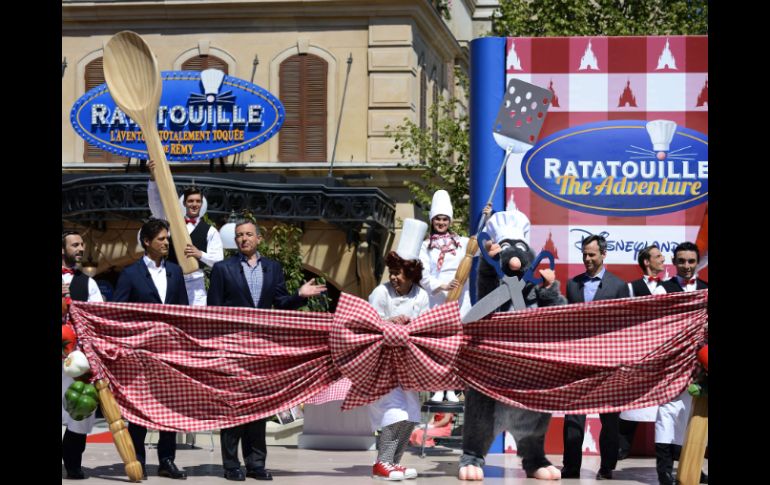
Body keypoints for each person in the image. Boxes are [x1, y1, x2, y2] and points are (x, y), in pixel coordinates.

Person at [207, 219, 326, 482]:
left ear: (259, 239)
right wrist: (217, 350)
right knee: (233, 408)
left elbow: (281, 304)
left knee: (259, 408)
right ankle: (231, 466)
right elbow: (212, 313)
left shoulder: (273, 268)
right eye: (239, 235)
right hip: (232, 350)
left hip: (262, 351)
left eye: (248, 234)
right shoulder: (222, 269)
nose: (243, 239)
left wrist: (300, 294)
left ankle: (256, 464)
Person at [459, 206, 566, 481]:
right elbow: (482, 301)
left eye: (518, 247)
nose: (514, 257)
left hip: (529, 371)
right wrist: (487, 265)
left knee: (535, 417)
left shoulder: (536, 285)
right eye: (507, 246)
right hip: (493, 369)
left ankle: (534, 458)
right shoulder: (492, 282)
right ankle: (473, 455)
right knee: (481, 412)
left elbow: (560, 313)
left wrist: (550, 289)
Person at [113, 218, 189, 480]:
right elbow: (118, 314)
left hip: (169, 353)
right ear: (147, 242)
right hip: (140, 353)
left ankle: (167, 460)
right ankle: (139, 460)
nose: (167, 242)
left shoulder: (176, 272)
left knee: (170, 407)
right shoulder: (130, 274)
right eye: (161, 239)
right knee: (139, 410)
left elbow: (183, 312)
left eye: (167, 238)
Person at [562, 234, 630, 480]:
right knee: (573, 417)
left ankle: (607, 467)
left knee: (609, 419)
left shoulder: (619, 286)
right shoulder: (571, 284)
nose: (587, 259)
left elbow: (626, 326)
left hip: (608, 362)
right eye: (584, 254)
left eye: (592, 254)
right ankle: (570, 466)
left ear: (603, 254)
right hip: (578, 361)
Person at [367, 218, 429, 481]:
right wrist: (386, 323)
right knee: (394, 412)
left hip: (411, 368)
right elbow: (367, 324)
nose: (393, 278)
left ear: (411, 274)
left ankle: (393, 462)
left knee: (411, 416)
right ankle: (382, 462)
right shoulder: (380, 293)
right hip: (383, 367)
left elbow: (426, 326)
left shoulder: (421, 296)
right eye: (391, 272)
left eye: (398, 273)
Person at [653, 241, 708, 485]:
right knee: (666, 415)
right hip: (671, 365)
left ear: (698, 263)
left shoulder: (707, 289)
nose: (686, 266)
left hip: (700, 367)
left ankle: (690, 469)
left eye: (691, 261)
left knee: (691, 417)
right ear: (674, 263)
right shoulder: (662, 290)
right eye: (682, 261)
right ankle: (664, 471)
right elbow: (656, 328)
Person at [147, 159, 224, 306]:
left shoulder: (211, 231)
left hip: (197, 285)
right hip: (172, 280)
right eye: (190, 201)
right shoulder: (171, 224)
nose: (194, 204)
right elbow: (156, 205)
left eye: (197, 201)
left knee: (197, 323)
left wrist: (199, 254)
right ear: (184, 203)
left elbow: (219, 261)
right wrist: (152, 178)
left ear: (201, 204)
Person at [419, 190, 471, 403]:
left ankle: (452, 387)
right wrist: (441, 286)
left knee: (455, 347)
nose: (441, 222)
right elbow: (422, 274)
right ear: (432, 221)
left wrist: (486, 215)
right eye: (437, 219)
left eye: (444, 219)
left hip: (459, 302)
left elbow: (482, 244)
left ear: (450, 220)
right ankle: (438, 388)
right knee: (437, 349)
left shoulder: (462, 243)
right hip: (436, 302)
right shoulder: (425, 246)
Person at [618, 245, 668, 460]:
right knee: (631, 402)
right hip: (638, 354)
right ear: (646, 262)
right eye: (658, 256)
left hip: (663, 355)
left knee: (665, 406)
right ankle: (621, 449)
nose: (663, 259)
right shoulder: (631, 288)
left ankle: (668, 452)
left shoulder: (668, 288)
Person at [61, 231, 104, 479]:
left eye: (81, 244)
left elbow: (98, 316)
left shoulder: (88, 283)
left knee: (81, 411)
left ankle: (73, 463)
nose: (80, 248)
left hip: (77, 359)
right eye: (74, 245)